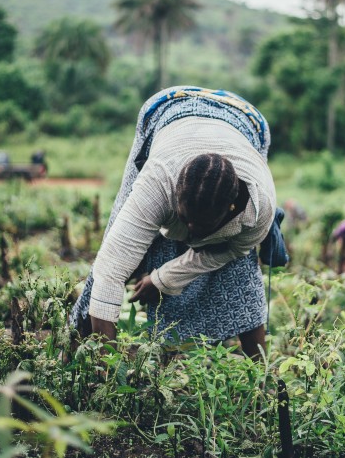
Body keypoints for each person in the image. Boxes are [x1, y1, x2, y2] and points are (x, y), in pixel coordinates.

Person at [70, 86, 277, 359]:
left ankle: (261, 379)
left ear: (231, 209)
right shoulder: (158, 182)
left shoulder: (258, 208)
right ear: (174, 195)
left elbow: (230, 251)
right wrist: (107, 365)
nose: (190, 234)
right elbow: (111, 269)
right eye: (185, 220)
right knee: (115, 243)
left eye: (201, 228)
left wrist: (163, 279)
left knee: (240, 273)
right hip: (168, 109)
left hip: (247, 121)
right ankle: (78, 343)